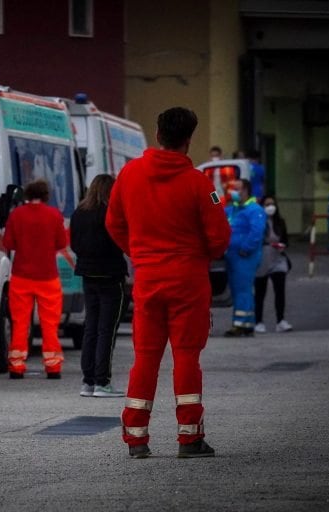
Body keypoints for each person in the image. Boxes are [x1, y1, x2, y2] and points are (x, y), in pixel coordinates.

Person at [106, 107, 231, 459]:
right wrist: (197, 255)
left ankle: (136, 437)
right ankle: (189, 437)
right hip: (188, 281)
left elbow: (114, 223)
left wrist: (140, 253)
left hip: (147, 280)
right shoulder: (199, 184)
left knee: (144, 358)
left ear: (158, 134)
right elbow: (220, 237)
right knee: (187, 358)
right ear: (188, 140)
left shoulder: (128, 175)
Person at [70, 174, 127, 398]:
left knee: (90, 328)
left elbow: (74, 243)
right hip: (111, 275)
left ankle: (88, 381)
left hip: (87, 274)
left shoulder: (78, 213)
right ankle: (103, 381)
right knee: (107, 330)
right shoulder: (111, 213)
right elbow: (121, 241)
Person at [3, 179, 66, 379]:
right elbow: (61, 242)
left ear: (27, 195)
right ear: (46, 195)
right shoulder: (54, 215)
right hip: (48, 277)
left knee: (20, 322)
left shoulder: (16, 215)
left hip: (21, 276)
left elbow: (9, 243)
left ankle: (17, 366)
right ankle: (53, 366)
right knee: (50, 323)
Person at [224, 179, 267, 337]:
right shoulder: (233, 209)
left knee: (242, 289)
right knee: (238, 290)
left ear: (246, 190)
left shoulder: (254, 209)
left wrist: (246, 248)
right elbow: (215, 210)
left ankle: (240, 324)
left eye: (238, 188)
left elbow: (257, 232)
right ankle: (246, 323)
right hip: (233, 255)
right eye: (233, 188)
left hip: (244, 256)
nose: (235, 191)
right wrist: (212, 194)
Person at [254, 195, 293, 334]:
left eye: (272, 204)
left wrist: (282, 246)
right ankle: (258, 321)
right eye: (267, 204)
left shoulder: (280, 222)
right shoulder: (259, 221)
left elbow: (286, 240)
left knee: (280, 291)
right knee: (260, 292)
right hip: (263, 259)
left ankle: (280, 321)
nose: (270, 207)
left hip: (278, 259)